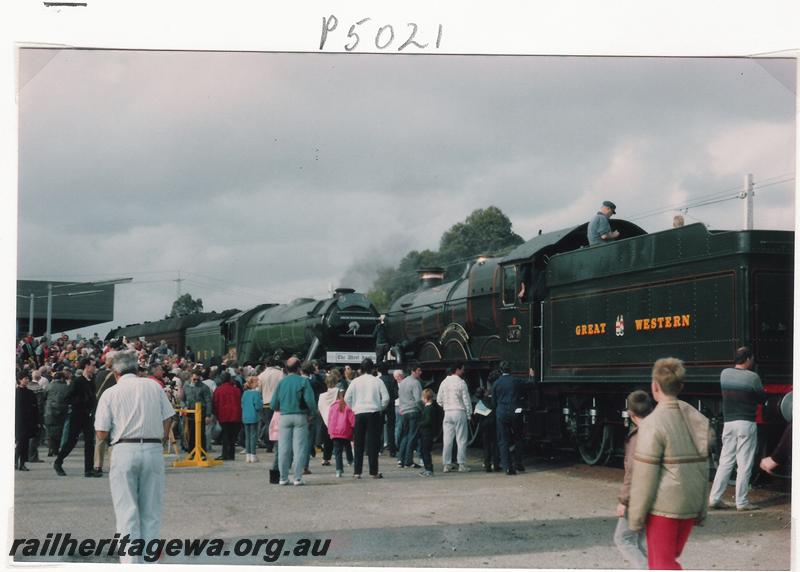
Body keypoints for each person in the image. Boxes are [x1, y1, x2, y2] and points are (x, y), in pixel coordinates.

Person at [628, 357, 712, 570]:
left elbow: (644, 478)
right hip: (689, 505)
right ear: (680, 386)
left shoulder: (652, 424)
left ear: (654, 386)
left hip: (663, 509)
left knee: (661, 565)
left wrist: (636, 518)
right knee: (664, 562)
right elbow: (703, 468)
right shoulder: (698, 419)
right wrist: (701, 508)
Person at [93, 349, 174, 564]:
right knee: (151, 511)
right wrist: (163, 437)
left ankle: (130, 563)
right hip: (153, 449)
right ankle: (150, 562)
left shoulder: (110, 393)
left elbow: (101, 433)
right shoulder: (153, 387)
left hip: (123, 449)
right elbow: (169, 416)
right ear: (136, 368)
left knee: (126, 511)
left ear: (115, 372)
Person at [708, 346, 765, 511]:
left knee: (725, 462)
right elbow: (761, 398)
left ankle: (714, 498)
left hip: (729, 424)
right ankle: (742, 502)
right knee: (744, 464)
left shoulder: (724, 374)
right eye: (752, 359)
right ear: (747, 359)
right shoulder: (753, 377)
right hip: (746, 423)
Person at [614, 390, 653, 569]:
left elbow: (632, 471)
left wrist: (624, 501)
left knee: (623, 539)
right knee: (635, 540)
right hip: (656, 496)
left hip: (639, 497)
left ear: (630, 414)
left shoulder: (638, 436)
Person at [271, 357, 317, 486]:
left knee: (283, 448)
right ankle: (297, 478)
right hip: (300, 417)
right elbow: (310, 401)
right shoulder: (303, 381)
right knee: (299, 448)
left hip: (284, 417)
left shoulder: (282, 382)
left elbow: (273, 404)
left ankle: (283, 477)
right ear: (298, 368)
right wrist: (312, 413)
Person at [345, 358, 390, 479]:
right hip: (373, 412)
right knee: (373, 443)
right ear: (372, 369)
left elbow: (346, 398)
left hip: (359, 412)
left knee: (358, 442)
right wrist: (380, 407)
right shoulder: (377, 381)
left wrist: (353, 408)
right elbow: (386, 398)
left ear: (361, 369)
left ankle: (357, 471)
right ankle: (373, 471)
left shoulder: (355, 381)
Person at [55, 359, 98, 477]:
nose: (95, 367)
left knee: (90, 442)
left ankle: (88, 470)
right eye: (93, 365)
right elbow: (67, 398)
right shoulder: (77, 381)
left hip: (89, 416)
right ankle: (58, 462)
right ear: (86, 366)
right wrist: (81, 401)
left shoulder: (92, 380)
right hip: (77, 415)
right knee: (71, 441)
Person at [437, 362, 472, 472]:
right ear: (457, 370)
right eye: (462, 369)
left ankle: (446, 465)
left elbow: (439, 400)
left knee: (447, 439)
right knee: (461, 439)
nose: (463, 371)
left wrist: (446, 406)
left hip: (447, 412)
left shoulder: (444, 382)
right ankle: (461, 464)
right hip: (459, 411)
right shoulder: (461, 383)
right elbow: (466, 400)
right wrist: (469, 414)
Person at [492, 362, 525, 475]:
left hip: (502, 413)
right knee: (518, 438)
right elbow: (529, 385)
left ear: (500, 371)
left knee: (503, 441)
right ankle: (519, 464)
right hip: (516, 412)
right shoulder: (516, 381)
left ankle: (507, 467)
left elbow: (494, 401)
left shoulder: (496, 383)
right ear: (510, 370)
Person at [93, 353, 117, 475]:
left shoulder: (98, 374)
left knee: (100, 439)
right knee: (113, 438)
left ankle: (98, 465)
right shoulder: (115, 376)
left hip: (99, 408)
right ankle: (113, 464)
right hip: (113, 408)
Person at [180, 368, 213, 455]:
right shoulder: (185, 386)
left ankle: (202, 454)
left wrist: (208, 415)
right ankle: (191, 453)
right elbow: (182, 399)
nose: (196, 381)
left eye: (198, 379)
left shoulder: (204, 387)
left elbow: (208, 401)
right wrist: (184, 407)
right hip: (190, 414)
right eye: (194, 379)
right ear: (190, 377)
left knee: (201, 434)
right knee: (190, 434)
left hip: (201, 413)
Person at [397, 364, 423, 468]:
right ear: (413, 371)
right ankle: (409, 461)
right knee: (412, 436)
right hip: (413, 411)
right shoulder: (416, 383)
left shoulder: (403, 382)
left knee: (405, 435)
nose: (420, 372)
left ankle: (400, 459)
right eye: (418, 370)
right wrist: (422, 410)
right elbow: (418, 400)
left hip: (404, 411)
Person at [212, 371, 242, 461]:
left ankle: (225, 454)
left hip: (223, 415)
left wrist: (216, 414)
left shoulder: (218, 390)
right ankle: (231, 454)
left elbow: (215, 403)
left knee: (225, 435)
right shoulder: (236, 390)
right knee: (233, 436)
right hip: (235, 415)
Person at [258, 355, 284, 452]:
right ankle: (278, 443)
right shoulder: (280, 374)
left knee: (269, 424)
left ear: (265, 364)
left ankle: (269, 446)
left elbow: (258, 390)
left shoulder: (261, 375)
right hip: (278, 403)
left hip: (266, 403)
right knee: (278, 424)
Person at [328, 388, 356, 478]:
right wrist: (354, 427)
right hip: (345, 430)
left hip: (335, 432)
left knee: (337, 451)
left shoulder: (332, 406)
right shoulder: (348, 406)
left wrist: (329, 430)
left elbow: (329, 419)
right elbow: (352, 420)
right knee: (347, 444)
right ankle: (350, 459)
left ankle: (338, 469)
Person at [15, 374, 39, 471]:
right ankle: (16, 461)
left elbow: (35, 408)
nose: (27, 380)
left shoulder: (30, 393)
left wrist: (37, 421)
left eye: (28, 379)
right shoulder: (15, 393)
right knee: (20, 442)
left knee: (24, 443)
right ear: (20, 380)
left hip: (28, 421)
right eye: (25, 379)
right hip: (18, 421)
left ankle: (22, 463)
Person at [44, 370, 70, 457]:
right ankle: (56, 450)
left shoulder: (49, 386)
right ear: (62, 378)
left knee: (50, 431)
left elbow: (44, 396)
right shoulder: (66, 387)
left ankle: (50, 448)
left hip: (50, 411)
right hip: (62, 411)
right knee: (59, 430)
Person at [418, 388, 440, 477]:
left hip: (426, 433)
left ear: (425, 398)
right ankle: (427, 469)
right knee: (424, 451)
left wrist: (419, 423)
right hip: (427, 433)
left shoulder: (428, 409)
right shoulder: (430, 408)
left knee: (425, 451)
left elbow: (427, 421)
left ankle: (429, 469)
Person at [378, 362, 398, 457]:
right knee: (391, 427)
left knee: (379, 428)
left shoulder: (379, 380)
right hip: (391, 404)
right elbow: (396, 393)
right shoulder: (392, 379)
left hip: (381, 405)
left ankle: (379, 448)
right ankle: (392, 450)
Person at [241, 376, 263, 463]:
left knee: (247, 436)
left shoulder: (245, 393)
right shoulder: (256, 394)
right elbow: (258, 406)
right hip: (254, 416)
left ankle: (248, 455)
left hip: (245, 416)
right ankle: (253, 455)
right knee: (253, 436)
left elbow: (242, 405)